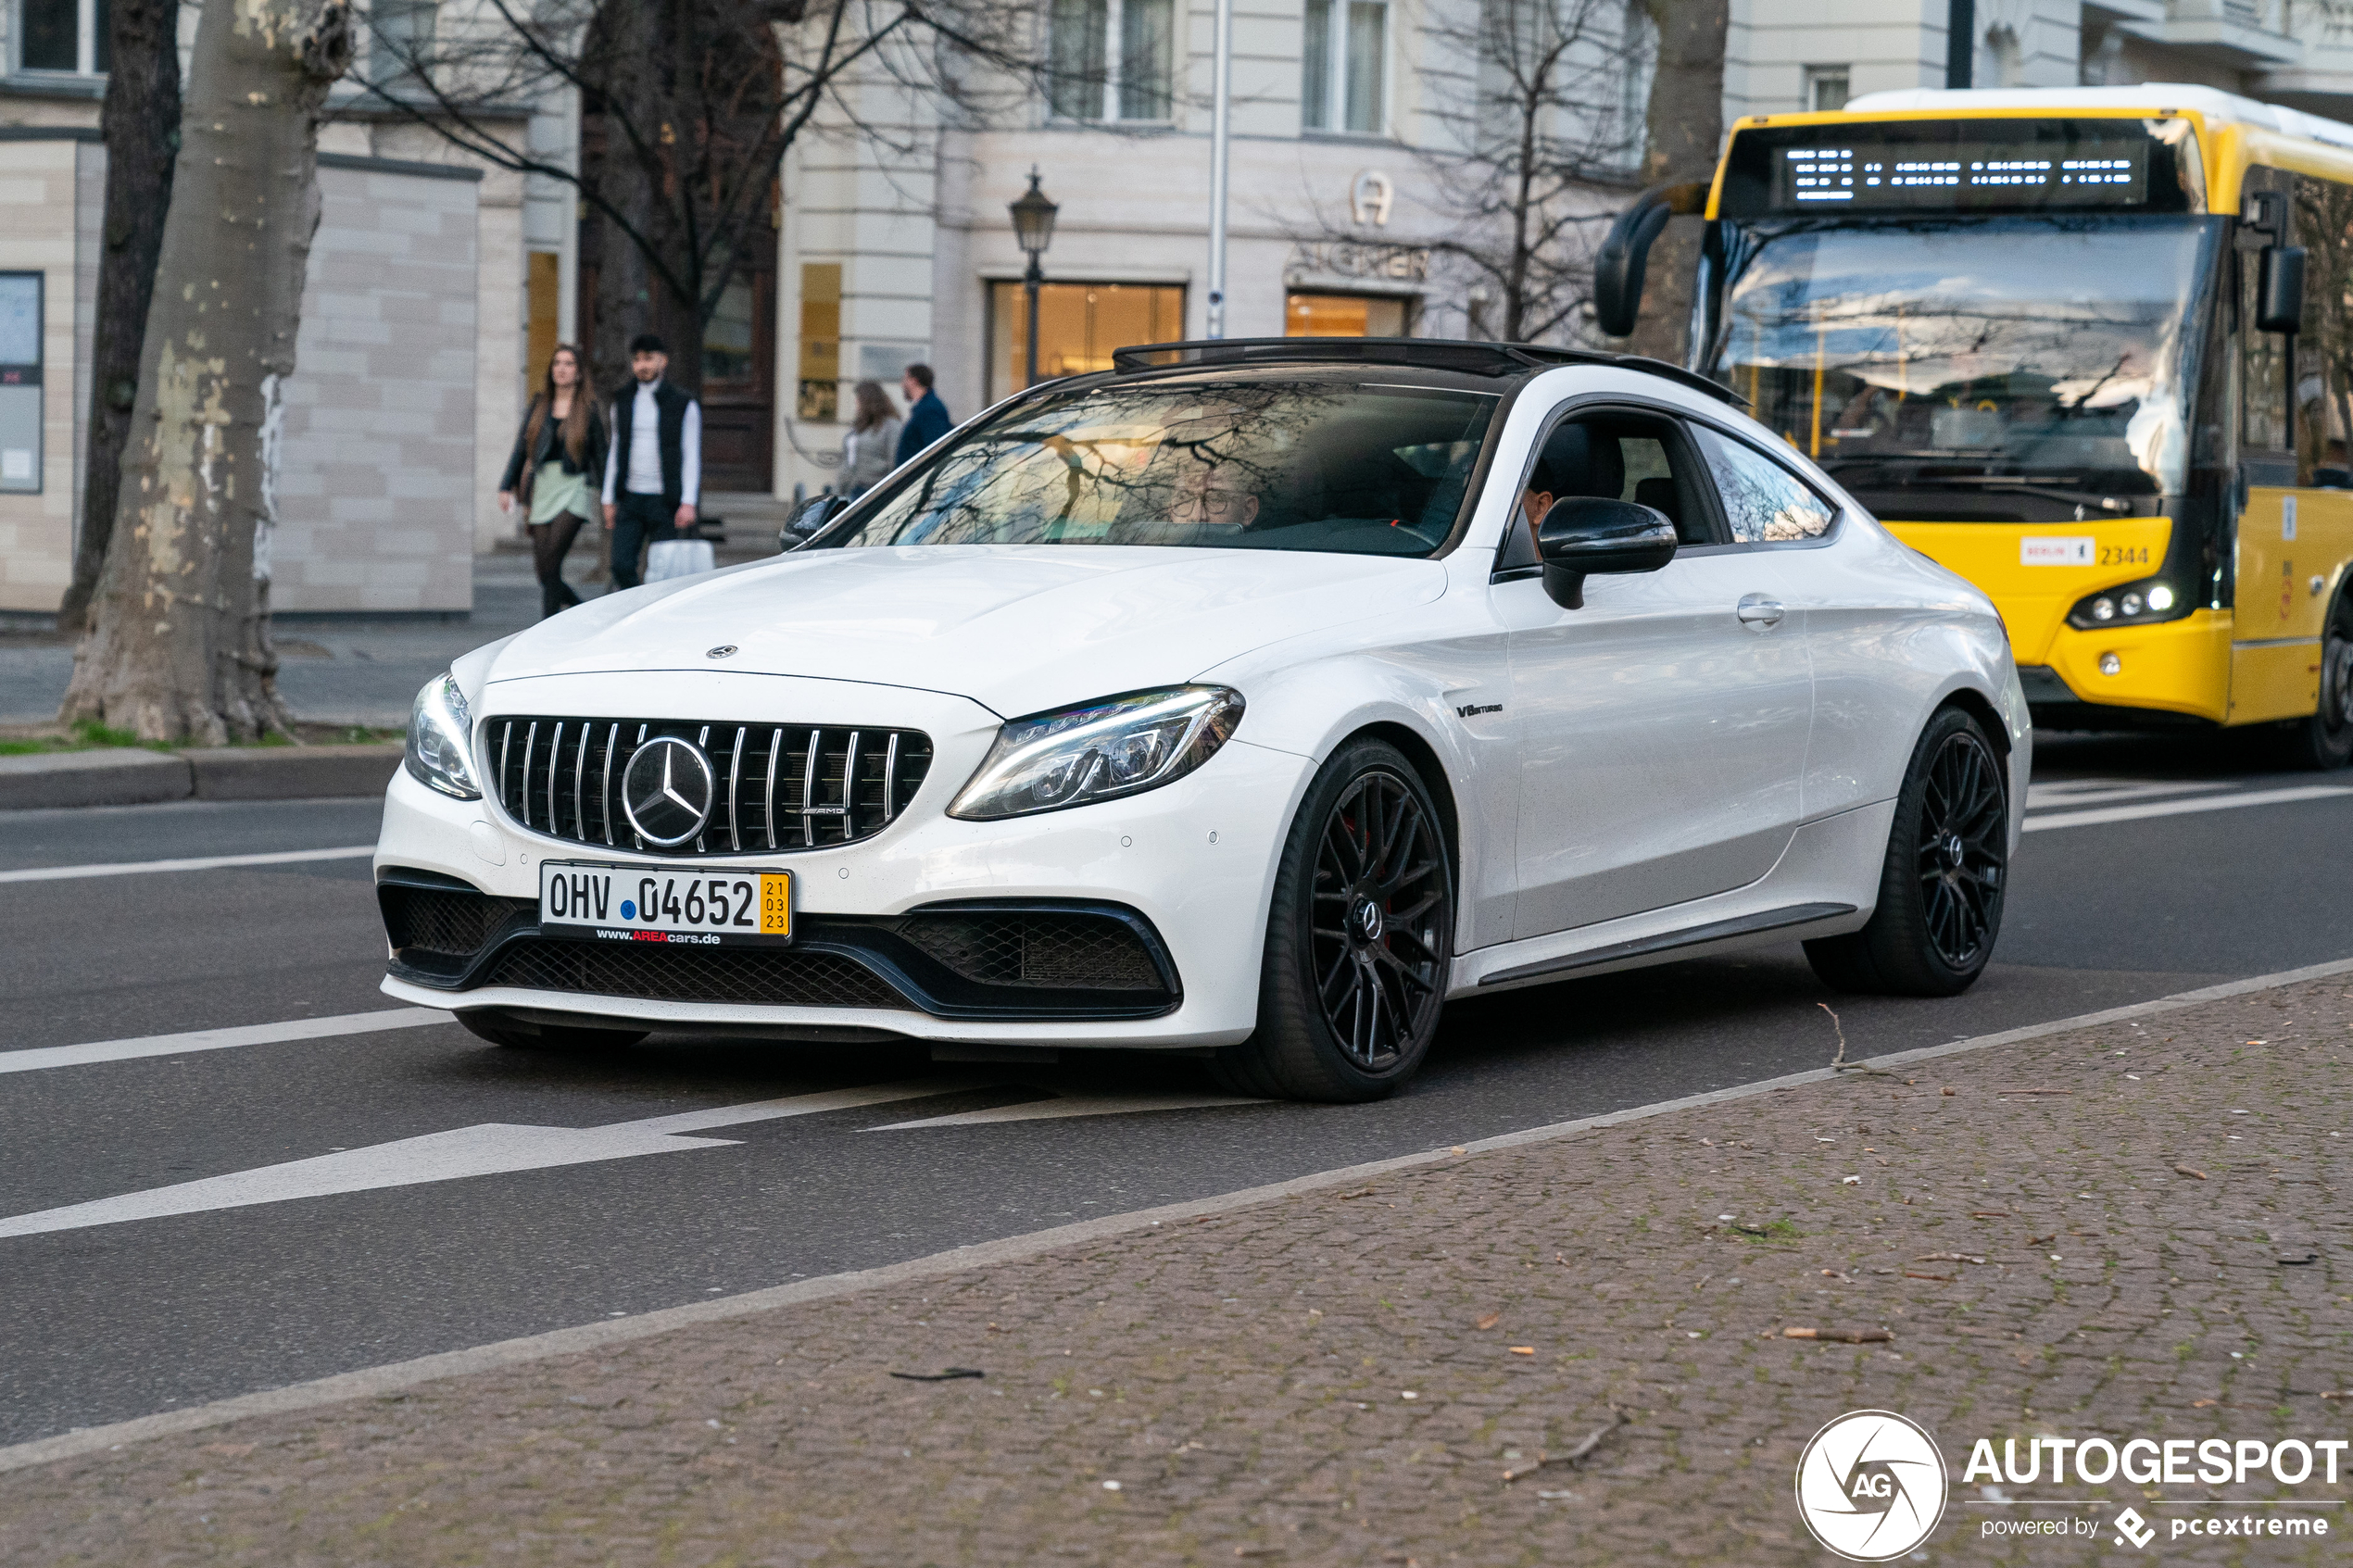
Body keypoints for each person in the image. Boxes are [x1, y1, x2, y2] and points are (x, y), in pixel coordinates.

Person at [498, 345, 609, 620]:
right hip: (543, 488)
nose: (561, 368)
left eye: (569, 363)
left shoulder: (588, 410)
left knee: (551, 561)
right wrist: (505, 485)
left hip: (574, 488)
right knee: (545, 572)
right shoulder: (539, 405)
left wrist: (609, 497)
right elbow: (521, 450)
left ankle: (545, 627)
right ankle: (583, 611)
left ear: (579, 372)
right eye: (557, 363)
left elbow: (601, 456)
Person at [601, 332, 701, 591]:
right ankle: (637, 605)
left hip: (665, 501)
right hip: (630, 498)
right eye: (637, 359)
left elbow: (691, 454)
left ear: (663, 361)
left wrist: (688, 502)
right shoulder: (622, 401)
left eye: (648, 358)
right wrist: (607, 498)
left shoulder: (683, 404)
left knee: (664, 573)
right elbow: (615, 450)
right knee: (620, 565)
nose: (642, 365)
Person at [841, 381, 902, 497]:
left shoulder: (891, 426)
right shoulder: (858, 427)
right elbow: (846, 463)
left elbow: (893, 463)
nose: (855, 403)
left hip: (875, 492)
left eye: (858, 399)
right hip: (853, 490)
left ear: (867, 401)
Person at [896, 362, 951, 466]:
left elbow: (935, 448)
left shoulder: (930, 409)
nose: (902, 384)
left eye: (905, 379)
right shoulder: (924, 407)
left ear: (914, 381)